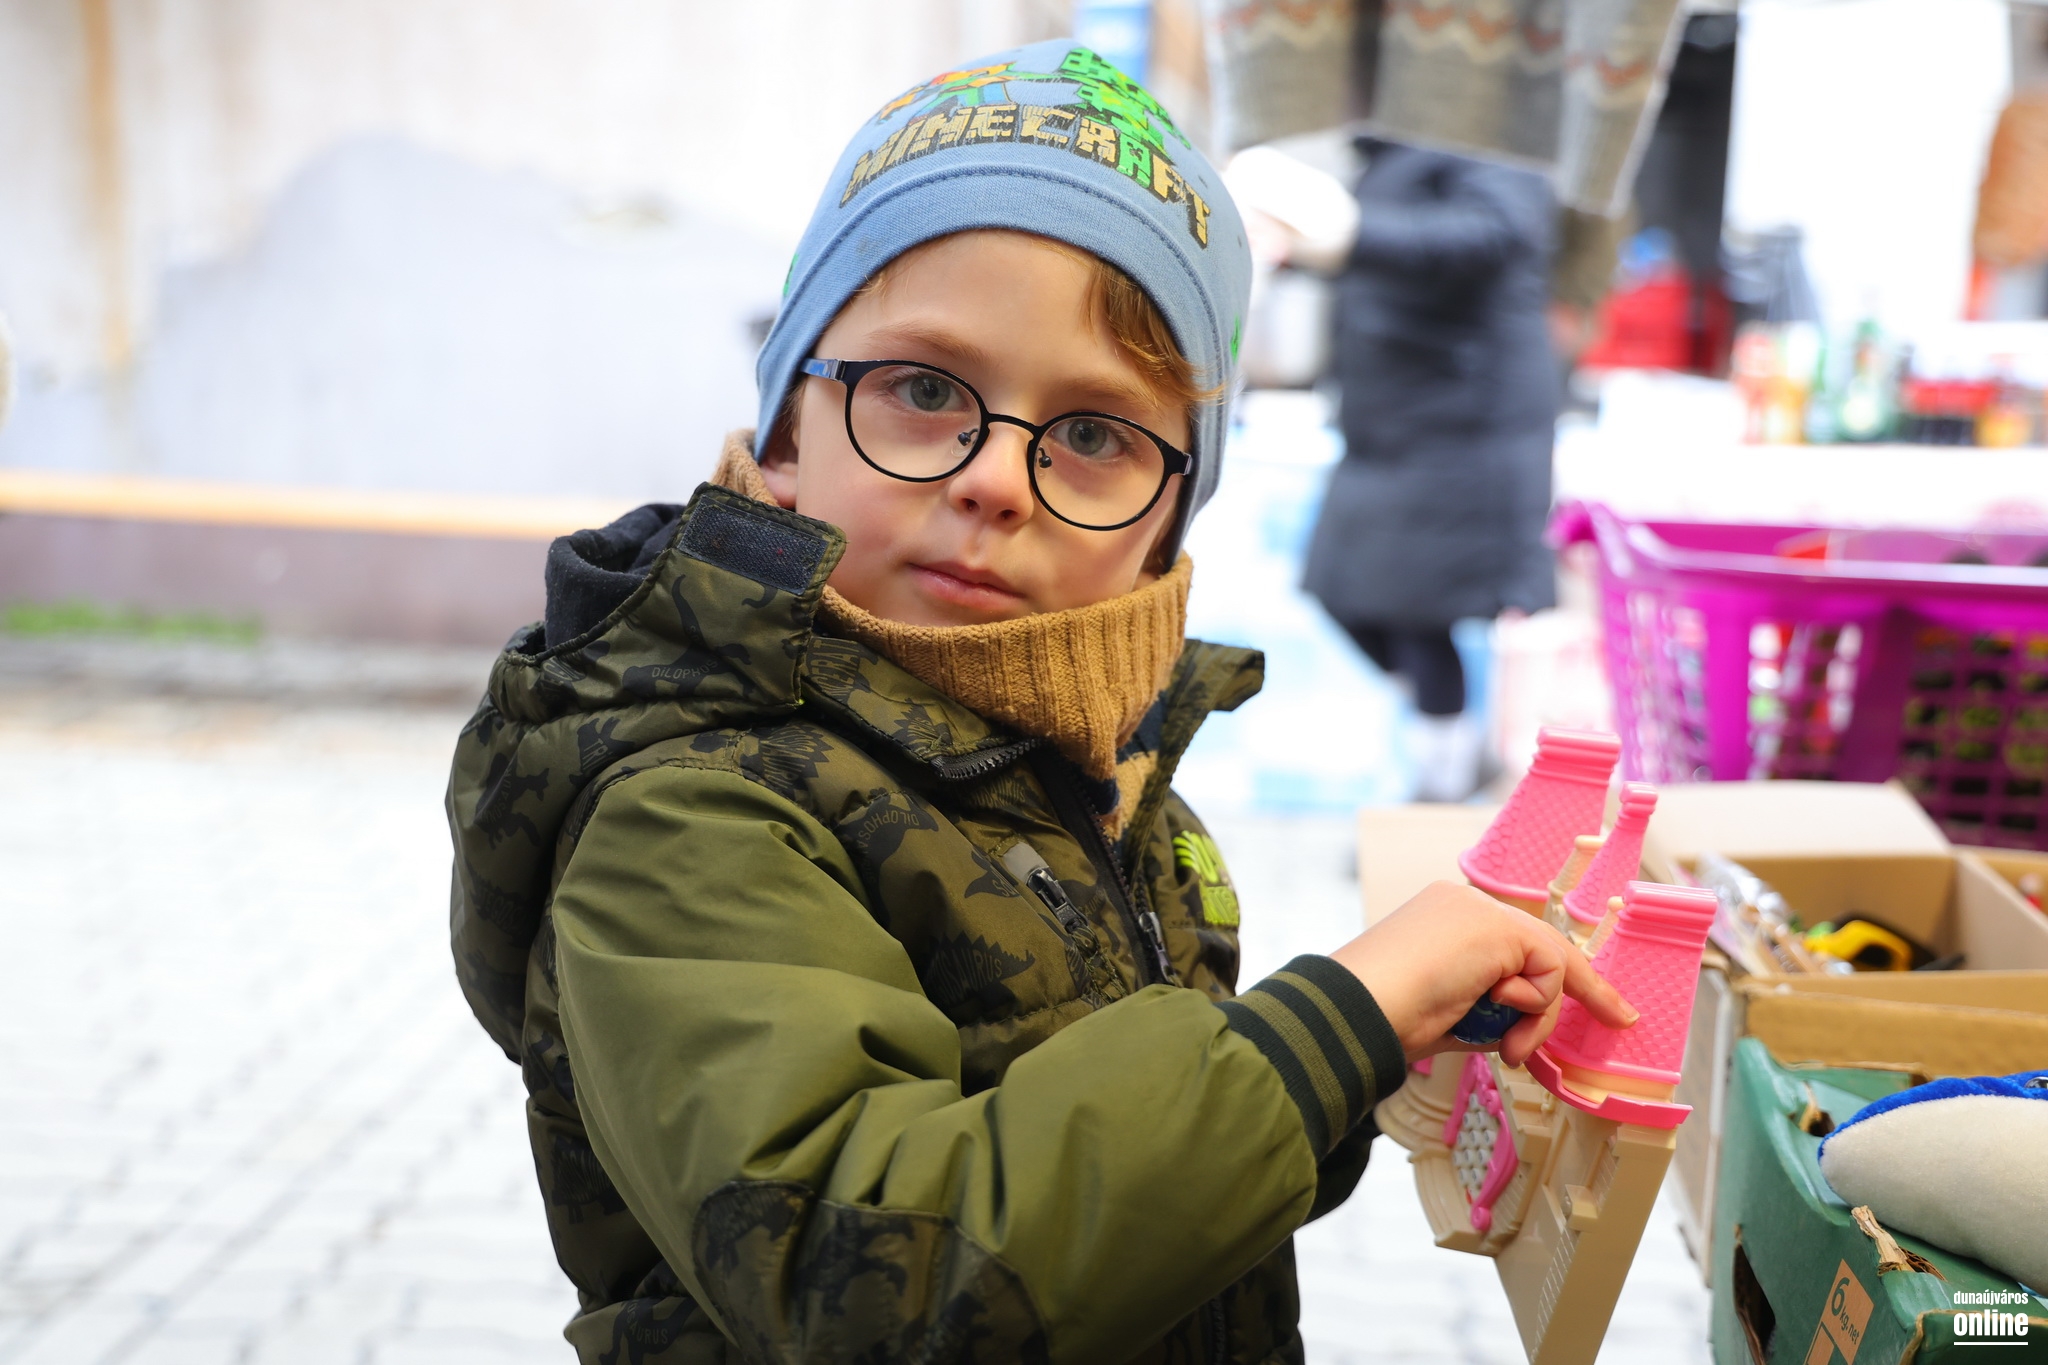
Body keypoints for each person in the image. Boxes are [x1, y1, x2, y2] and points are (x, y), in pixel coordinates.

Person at [447, 42, 1631, 1364]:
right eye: (924, 391)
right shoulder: (693, 813)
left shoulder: (1083, 769)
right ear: (784, 432)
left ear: (1167, 524)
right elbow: (881, 1296)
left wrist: (1363, 1059)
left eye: (1091, 435)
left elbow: (1122, 1199)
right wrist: (1327, 1027)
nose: (998, 480)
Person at [1300, 140, 1561, 803]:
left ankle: (1439, 789)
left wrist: (1352, 230)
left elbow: (1497, 230)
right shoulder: (1393, 147)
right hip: (1389, 426)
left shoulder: (1486, 126)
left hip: (1465, 418)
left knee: (1415, 613)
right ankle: (1456, 748)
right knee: (1342, 590)